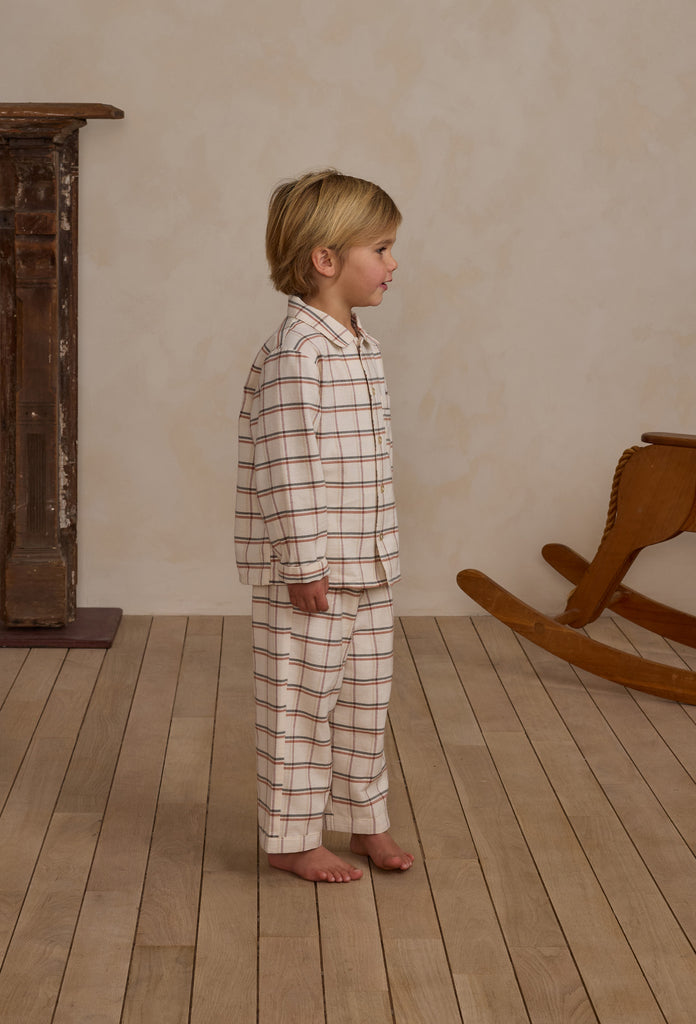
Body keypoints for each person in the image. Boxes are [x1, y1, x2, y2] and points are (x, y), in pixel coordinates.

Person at [235, 169, 414, 882]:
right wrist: (304, 565)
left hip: (368, 564)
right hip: (311, 574)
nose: (393, 263)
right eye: (382, 248)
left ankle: (364, 819)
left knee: (365, 702)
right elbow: (287, 468)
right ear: (326, 259)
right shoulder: (296, 353)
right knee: (300, 705)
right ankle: (290, 837)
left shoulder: (358, 345)